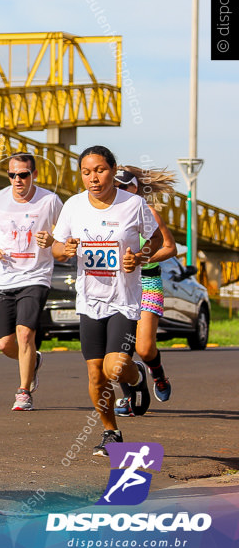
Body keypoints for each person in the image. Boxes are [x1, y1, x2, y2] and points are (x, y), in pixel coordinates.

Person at [52, 146, 163, 457]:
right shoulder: (73, 206)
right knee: (95, 373)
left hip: (123, 300)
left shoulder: (133, 204)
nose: (93, 178)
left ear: (113, 170)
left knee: (115, 368)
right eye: (86, 172)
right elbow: (57, 249)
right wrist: (67, 249)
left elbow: (154, 240)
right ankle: (111, 432)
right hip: (89, 301)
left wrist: (139, 258)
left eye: (99, 170)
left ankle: (137, 375)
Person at [0, 152, 63, 412]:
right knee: (4, 344)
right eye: (13, 175)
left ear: (34, 175)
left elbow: (66, 229)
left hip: (36, 275)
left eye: (23, 174)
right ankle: (32, 360)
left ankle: (24, 392)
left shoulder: (49, 200)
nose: (18, 180)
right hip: (5, 278)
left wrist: (52, 239)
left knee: (25, 333)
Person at [112, 166, 178, 416]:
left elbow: (170, 248)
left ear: (134, 188)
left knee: (145, 348)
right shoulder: (103, 214)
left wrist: (141, 258)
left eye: (123, 186)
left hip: (147, 282)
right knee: (117, 349)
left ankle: (158, 374)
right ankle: (129, 397)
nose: (118, 191)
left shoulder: (148, 212)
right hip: (117, 286)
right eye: (114, 186)